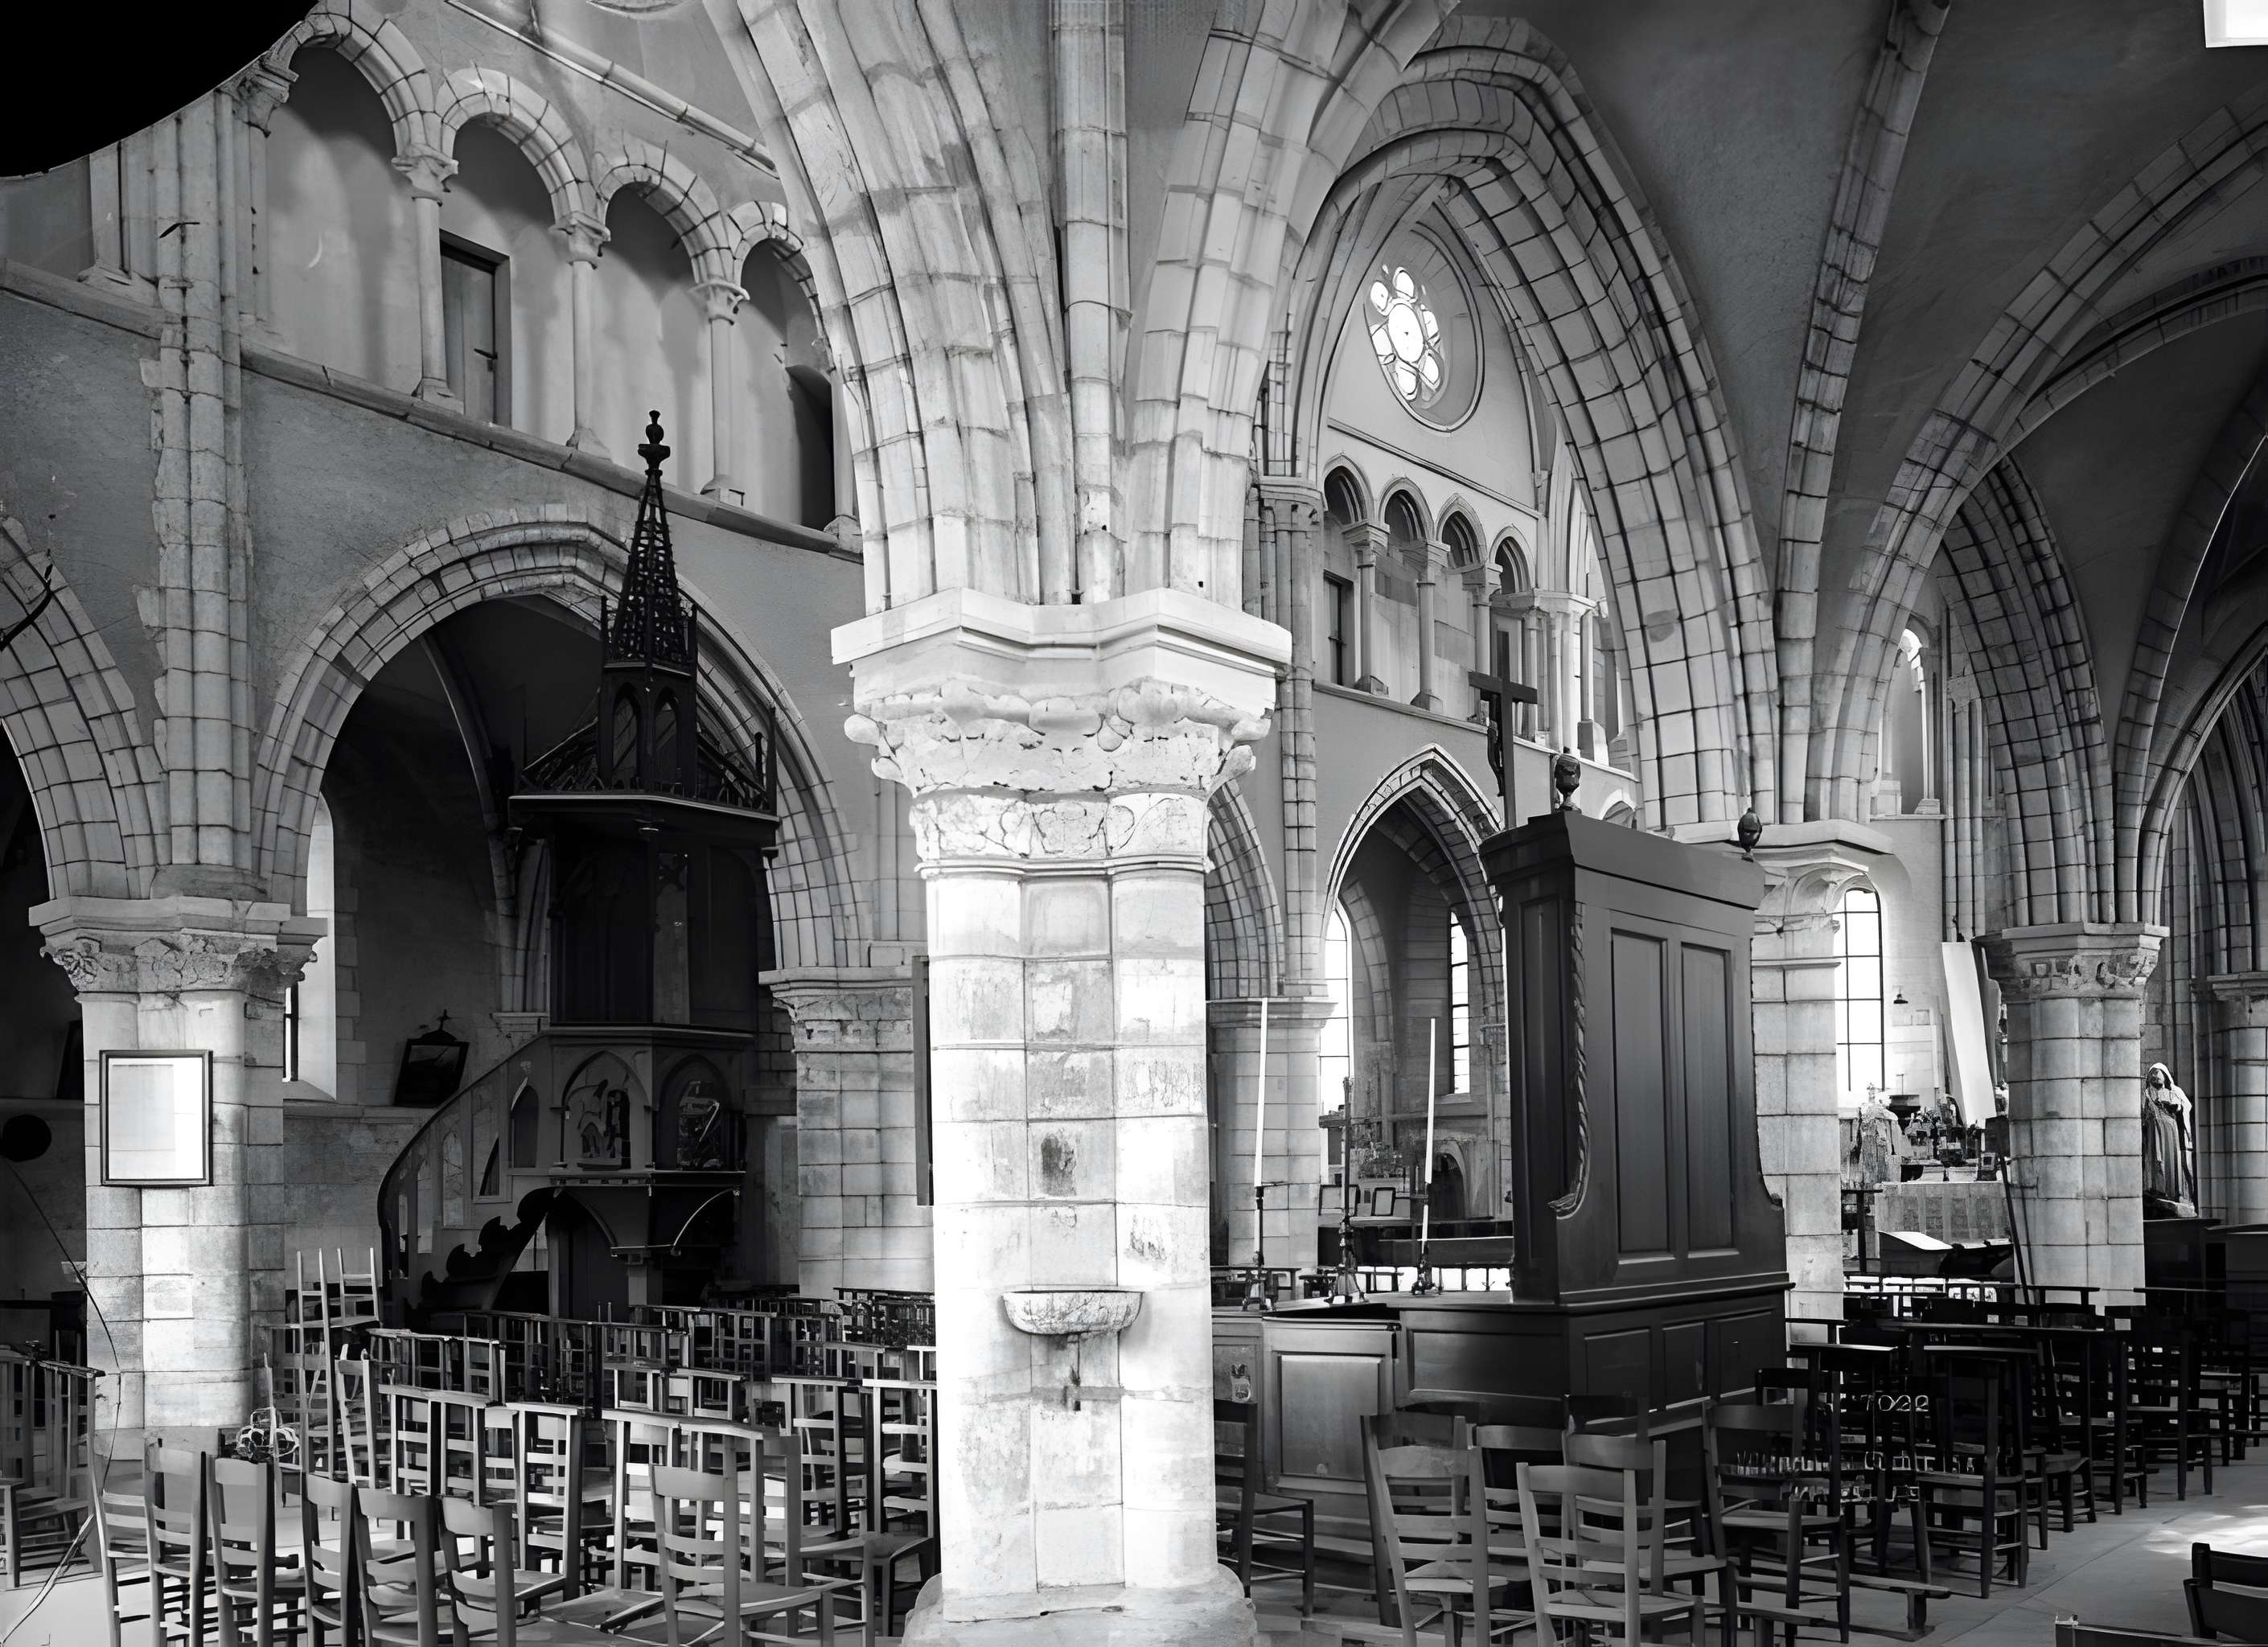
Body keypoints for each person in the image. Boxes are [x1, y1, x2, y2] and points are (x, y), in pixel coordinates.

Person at [2142, 1062, 2197, 1218]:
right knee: (2156, 1159)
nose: (2154, 1076)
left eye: (2157, 1073)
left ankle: (2172, 1192)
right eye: (2152, 1074)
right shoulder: (2147, 1093)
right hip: (2154, 1132)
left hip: (2170, 1129)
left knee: (2171, 1159)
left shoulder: (2173, 1091)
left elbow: (2185, 1106)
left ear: (2165, 1076)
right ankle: (2157, 1190)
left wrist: (2177, 1106)